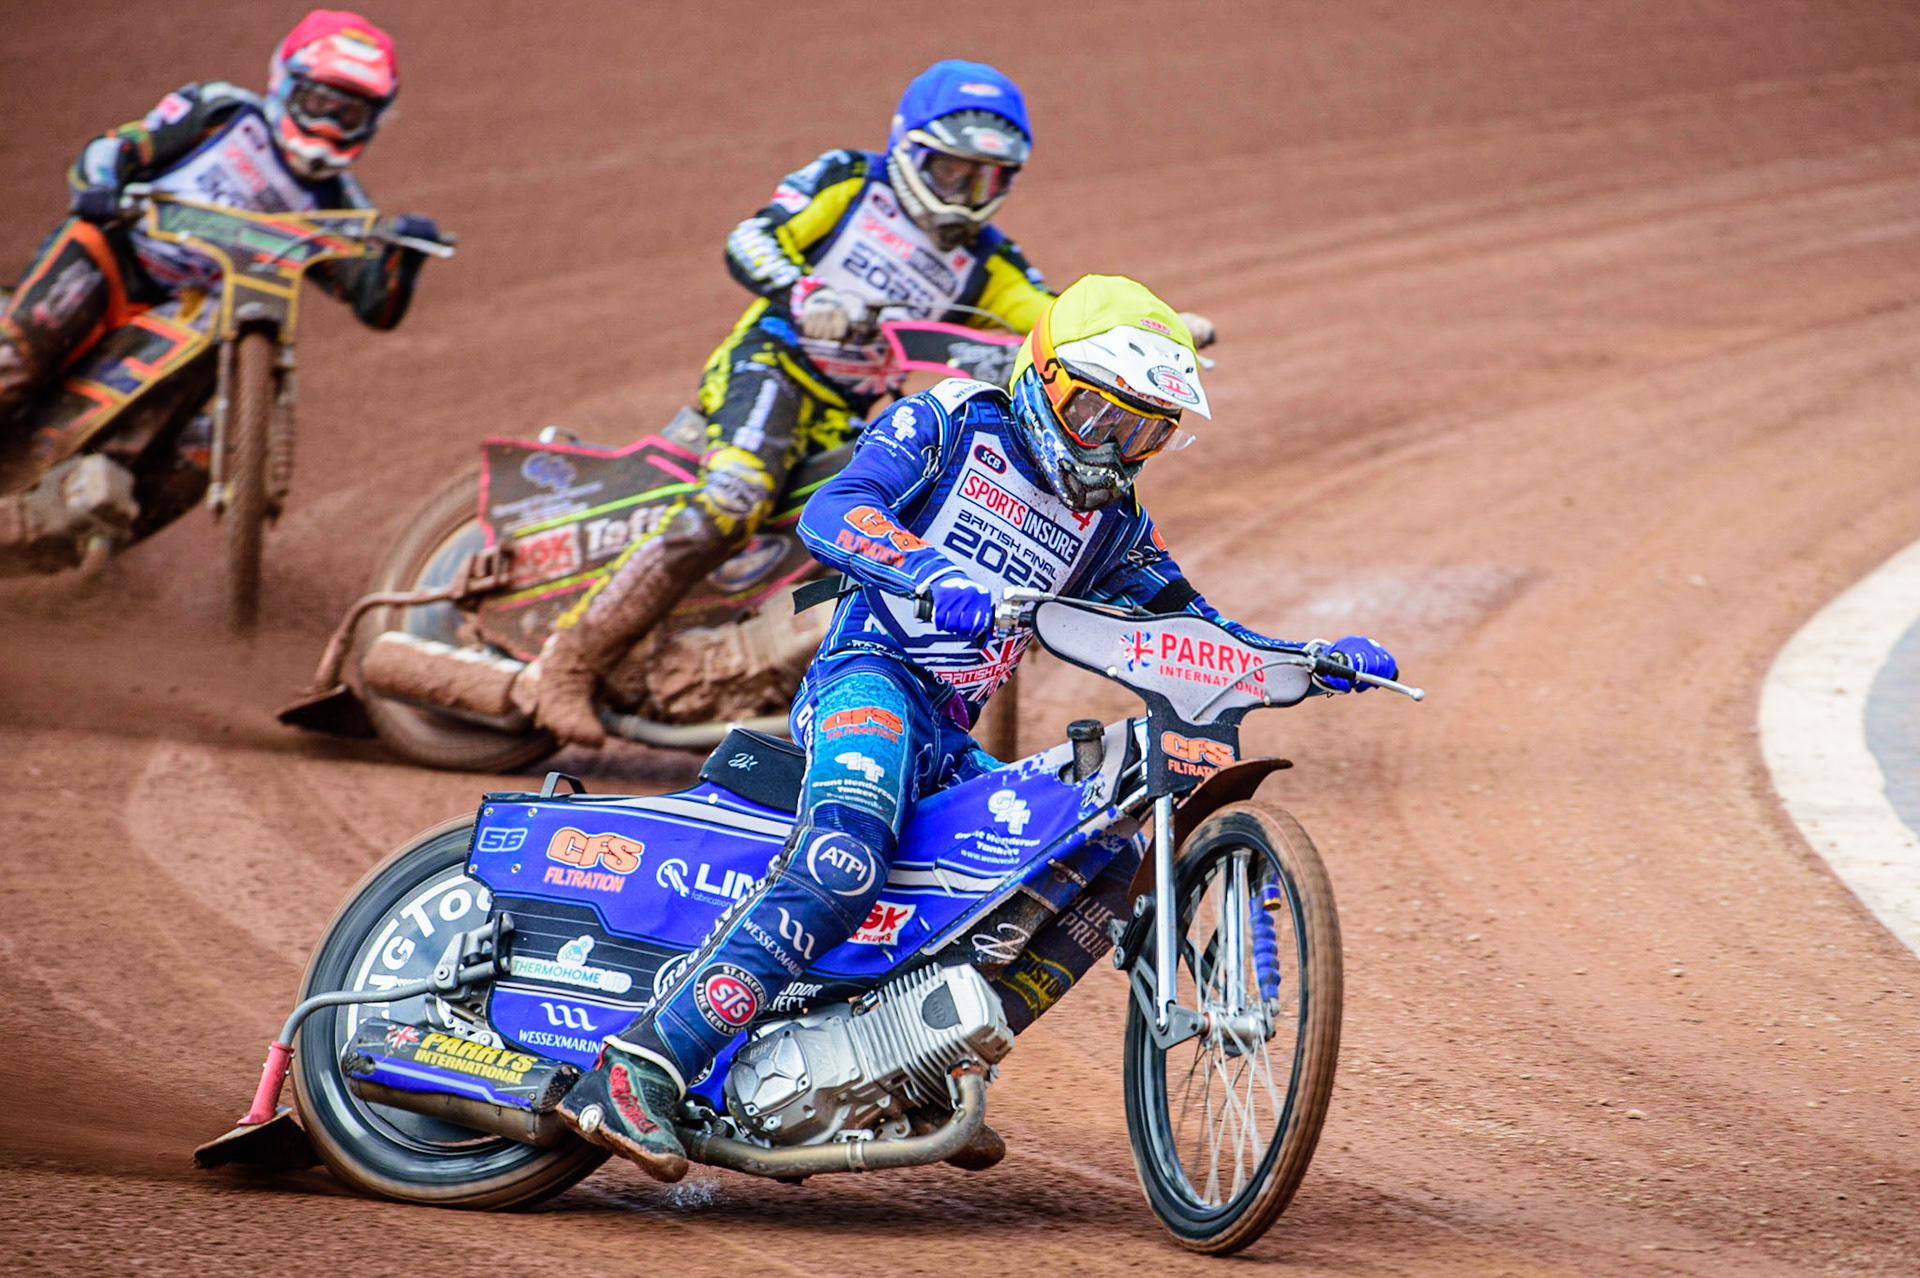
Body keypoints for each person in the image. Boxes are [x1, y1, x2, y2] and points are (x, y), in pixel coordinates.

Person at [556, 274, 1393, 1181]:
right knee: (849, 855)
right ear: (1044, 375)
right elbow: (834, 509)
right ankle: (641, 1065)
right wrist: (922, 570)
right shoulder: (953, 422)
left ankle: (910, 1066)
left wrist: (1302, 659)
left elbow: (1192, 627)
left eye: (1145, 430)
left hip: (949, 731)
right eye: (1101, 417)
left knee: (1090, 868)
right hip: (868, 678)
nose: (1117, 450)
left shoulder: (1113, 525)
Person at [529, 59, 1216, 747]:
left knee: (908, 506)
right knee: (735, 495)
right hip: (775, 366)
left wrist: (1147, 342)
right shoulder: (850, 184)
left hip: (856, 406)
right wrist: (810, 296)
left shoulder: (988, 261)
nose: (966, 194)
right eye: (953, 171)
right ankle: (568, 664)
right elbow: (752, 237)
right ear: (910, 148)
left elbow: (1051, 320)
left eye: (988, 178)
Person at [0, 10, 436, 442]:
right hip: (113, 261)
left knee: (205, 443)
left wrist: (407, 255)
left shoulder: (339, 207)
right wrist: (101, 186)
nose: (327, 124)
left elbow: (373, 303)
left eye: (349, 115)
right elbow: (120, 146)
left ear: (372, 121)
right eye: (319, 103)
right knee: (17, 360)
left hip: (193, 315)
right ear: (285, 85)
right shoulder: (221, 112)